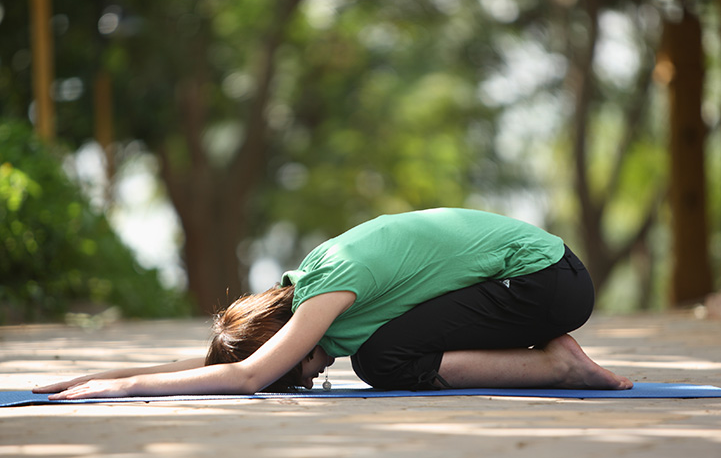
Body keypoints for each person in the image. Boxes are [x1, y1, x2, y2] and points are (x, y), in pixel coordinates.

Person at [35, 208, 632, 399]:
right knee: (382, 352)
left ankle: (558, 365)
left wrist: (121, 392)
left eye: (297, 377)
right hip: (549, 279)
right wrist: (99, 376)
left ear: (282, 340)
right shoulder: (313, 278)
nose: (312, 374)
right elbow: (221, 365)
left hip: (544, 282)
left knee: (383, 361)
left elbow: (245, 376)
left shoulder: (329, 287)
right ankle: (547, 350)